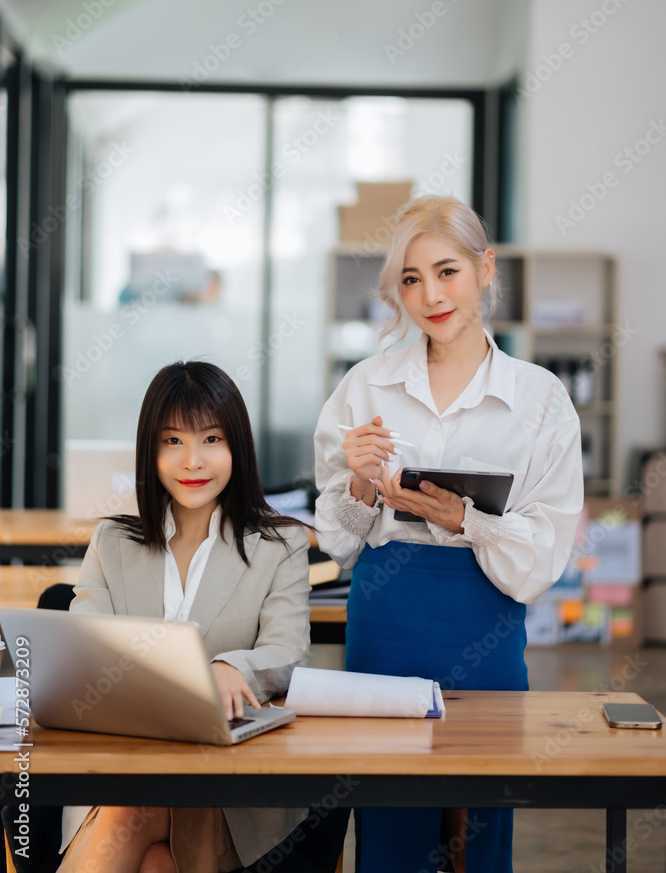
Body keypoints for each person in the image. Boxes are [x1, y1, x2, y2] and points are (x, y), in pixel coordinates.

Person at [314, 196, 584, 873]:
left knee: (481, 826)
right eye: (410, 279)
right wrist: (359, 481)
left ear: (485, 269)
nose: (430, 295)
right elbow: (336, 540)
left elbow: (544, 551)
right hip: (386, 618)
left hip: (484, 623)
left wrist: (465, 520)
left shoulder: (540, 397)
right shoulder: (365, 387)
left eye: (447, 271)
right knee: (389, 826)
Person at [58, 361, 348, 873]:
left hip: (225, 785)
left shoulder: (277, 546)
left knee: (138, 818)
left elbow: (287, 650)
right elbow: (86, 643)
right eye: (172, 441)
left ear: (236, 445)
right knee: (153, 860)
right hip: (125, 769)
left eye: (211, 438)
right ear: (151, 450)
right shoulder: (112, 541)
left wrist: (235, 667)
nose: (193, 460)